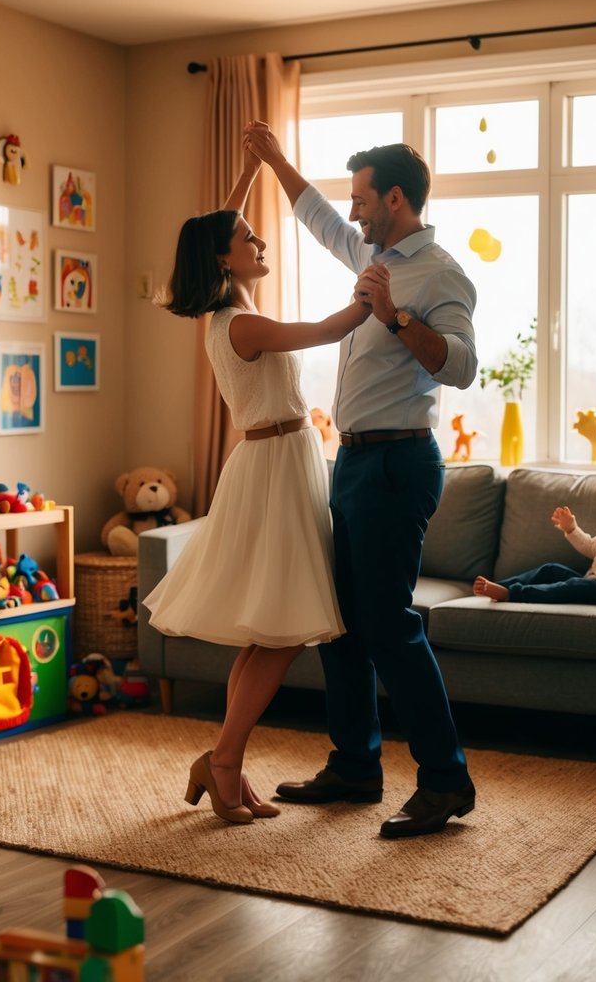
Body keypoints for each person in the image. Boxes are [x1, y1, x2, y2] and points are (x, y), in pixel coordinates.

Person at [243, 121, 478, 839]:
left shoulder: (437, 273)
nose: (352, 212)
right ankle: (354, 766)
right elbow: (315, 214)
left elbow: (462, 368)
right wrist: (276, 161)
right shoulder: (367, 250)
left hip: (398, 464)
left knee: (385, 625)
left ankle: (445, 780)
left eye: (362, 200)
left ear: (397, 200)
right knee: (336, 623)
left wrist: (395, 316)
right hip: (349, 461)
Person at [143, 147, 373, 826]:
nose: (259, 238)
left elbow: (224, 221)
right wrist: (373, 283)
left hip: (278, 461)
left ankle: (223, 759)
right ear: (223, 259)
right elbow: (331, 328)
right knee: (278, 633)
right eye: (247, 238)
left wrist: (252, 168)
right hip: (273, 469)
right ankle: (223, 761)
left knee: (267, 634)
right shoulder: (241, 323)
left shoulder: (224, 314)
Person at [473, 466, 596, 604]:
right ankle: (496, 587)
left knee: (575, 586)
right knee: (552, 570)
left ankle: (512, 594)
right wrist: (571, 529)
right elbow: (591, 548)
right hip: (591, 581)